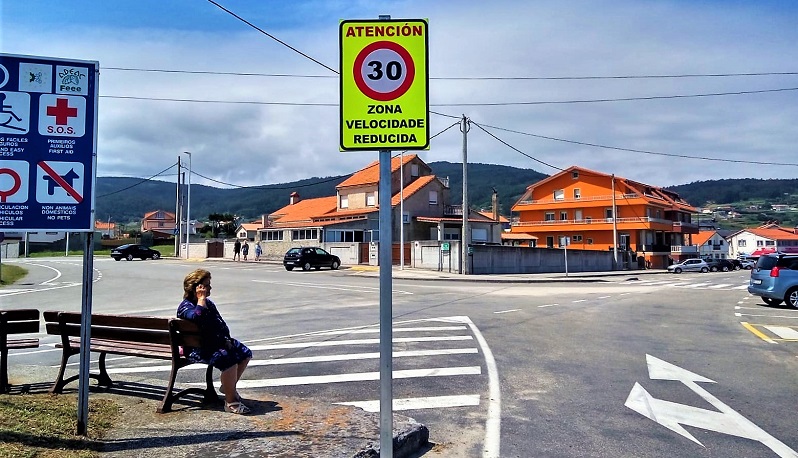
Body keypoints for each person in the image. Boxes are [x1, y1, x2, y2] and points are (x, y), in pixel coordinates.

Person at [177, 269, 252, 414]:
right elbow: (198, 317)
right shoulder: (185, 307)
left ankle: (228, 386)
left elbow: (220, 323)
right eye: (206, 285)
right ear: (197, 288)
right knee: (229, 360)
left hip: (214, 343)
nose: (210, 288)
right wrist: (201, 299)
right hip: (198, 348)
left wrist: (226, 339)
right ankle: (230, 402)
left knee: (244, 353)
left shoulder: (209, 304)